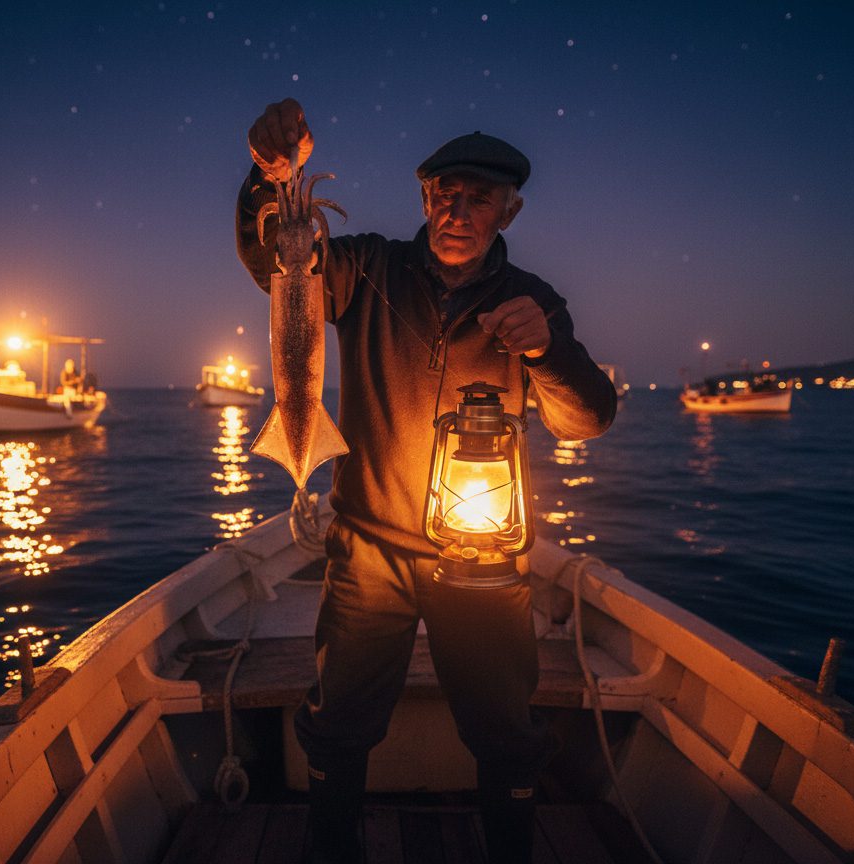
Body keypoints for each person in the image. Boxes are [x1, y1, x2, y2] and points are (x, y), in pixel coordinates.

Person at [236, 98, 617, 864]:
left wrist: (546, 351)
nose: (457, 211)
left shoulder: (532, 303)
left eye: (479, 198)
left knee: (506, 732)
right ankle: (329, 850)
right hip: (367, 548)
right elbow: (278, 258)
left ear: (508, 211)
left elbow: (586, 419)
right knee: (337, 721)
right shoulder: (364, 267)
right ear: (423, 198)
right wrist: (266, 180)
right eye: (445, 194)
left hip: (483, 559)